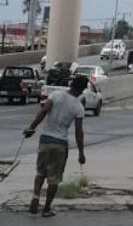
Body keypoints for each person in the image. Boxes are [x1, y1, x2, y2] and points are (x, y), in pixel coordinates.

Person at [22, 75, 88, 217]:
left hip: (45, 140)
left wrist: (31, 129)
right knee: (54, 178)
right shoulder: (78, 107)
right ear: (82, 90)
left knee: (40, 172)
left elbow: (43, 112)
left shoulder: (55, 95)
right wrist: (81, 153)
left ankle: (35, 197)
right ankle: (46, 208)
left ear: (71, 84)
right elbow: (78, 132)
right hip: (60, 144)